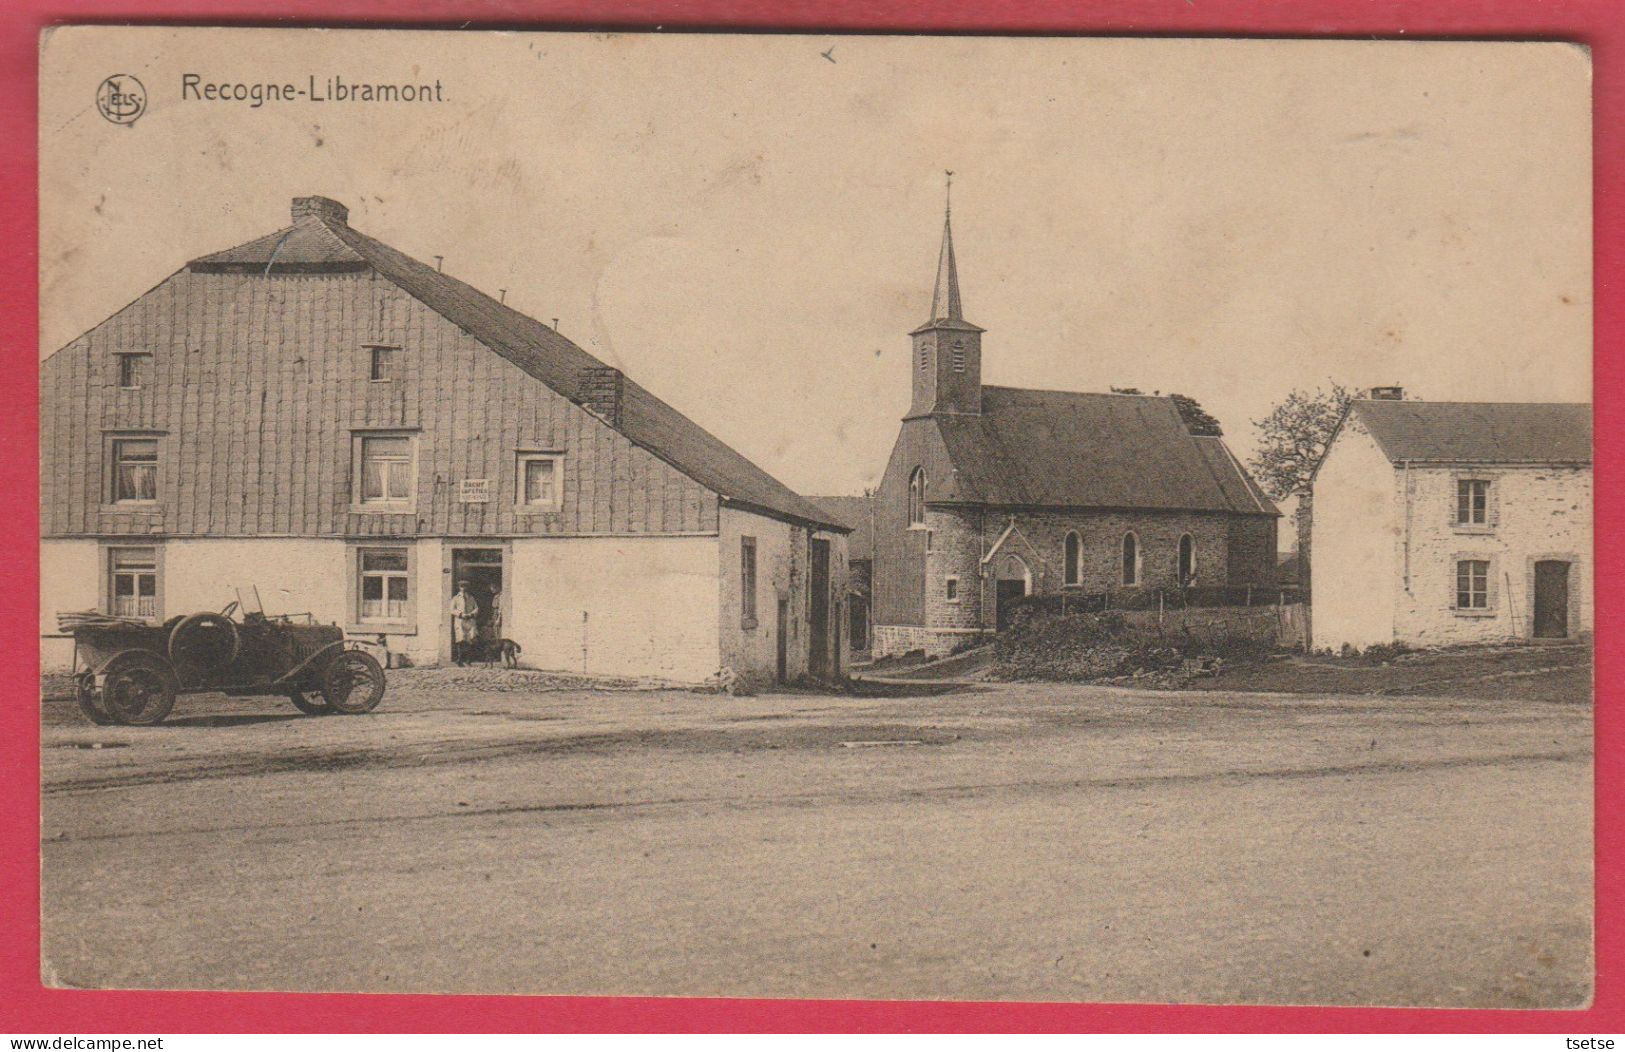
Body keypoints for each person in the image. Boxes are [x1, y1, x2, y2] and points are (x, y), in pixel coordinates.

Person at [450, 580, 479, 665]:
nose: (463, 588)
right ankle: (460, 659)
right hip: (460, 621)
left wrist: (471, 614)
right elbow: (452, 609)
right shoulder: (456, 598)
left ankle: (468, 659)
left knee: (470, 639)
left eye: (465, 586)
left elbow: (476, 608)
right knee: (461, 640)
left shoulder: (471, 597)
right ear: (459, 587)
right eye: (461, 586)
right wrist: (461, 614)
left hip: (470, 621)